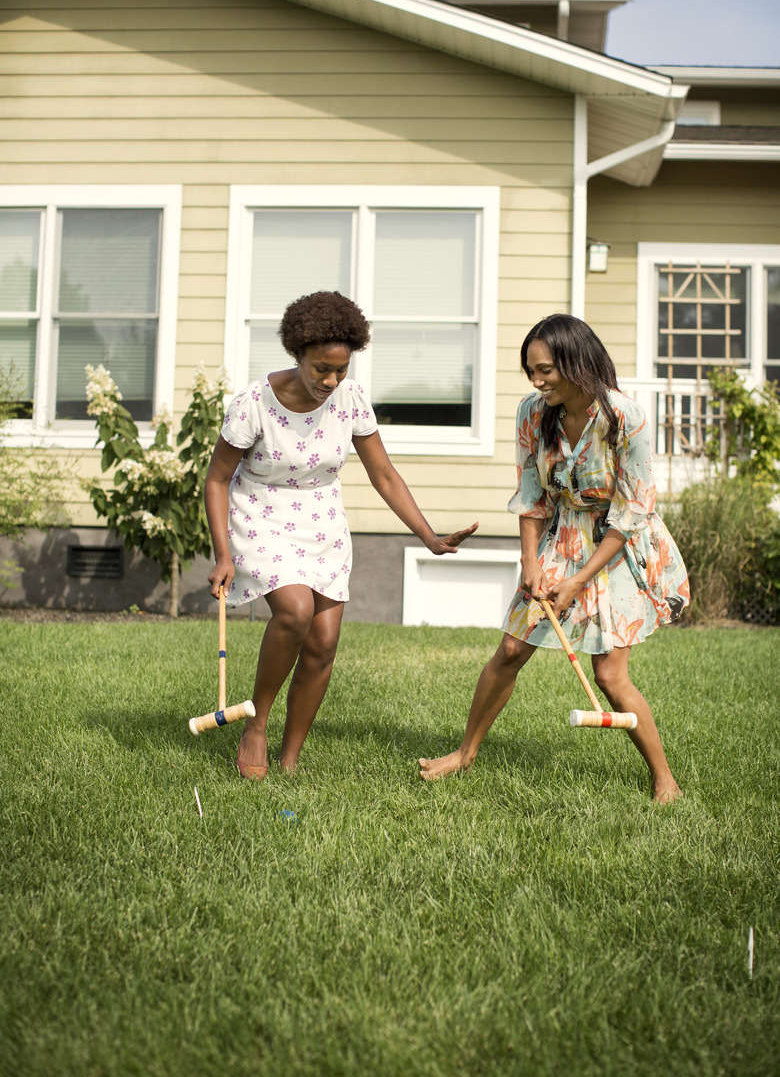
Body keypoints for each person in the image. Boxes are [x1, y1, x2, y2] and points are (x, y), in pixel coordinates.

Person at [205, 290, 478, 779]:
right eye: (320, 369)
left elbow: (385, 475)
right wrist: (222, 553)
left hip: (322, 517)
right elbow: (217, 479)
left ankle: (290, 761)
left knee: (324, 641)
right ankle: (257, 726)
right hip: (261, 513)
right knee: (296, 612)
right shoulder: (254, 402)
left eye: (340, 370)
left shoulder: (349, 399)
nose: (330, 381)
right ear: (298, 355)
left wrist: (428, 536)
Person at [418, 313, 689, 803]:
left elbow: (631, 512)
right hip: (561, 536)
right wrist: (530, 562)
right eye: (530, 372)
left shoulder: (626, 417)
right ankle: (464, 753)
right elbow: (530, 492)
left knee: (609, 675)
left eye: (545, 370)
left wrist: (579, 581)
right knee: (511, 650)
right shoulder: (532, 413)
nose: (537, 381)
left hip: (619, 547)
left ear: (575, 362)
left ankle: (664, 778)